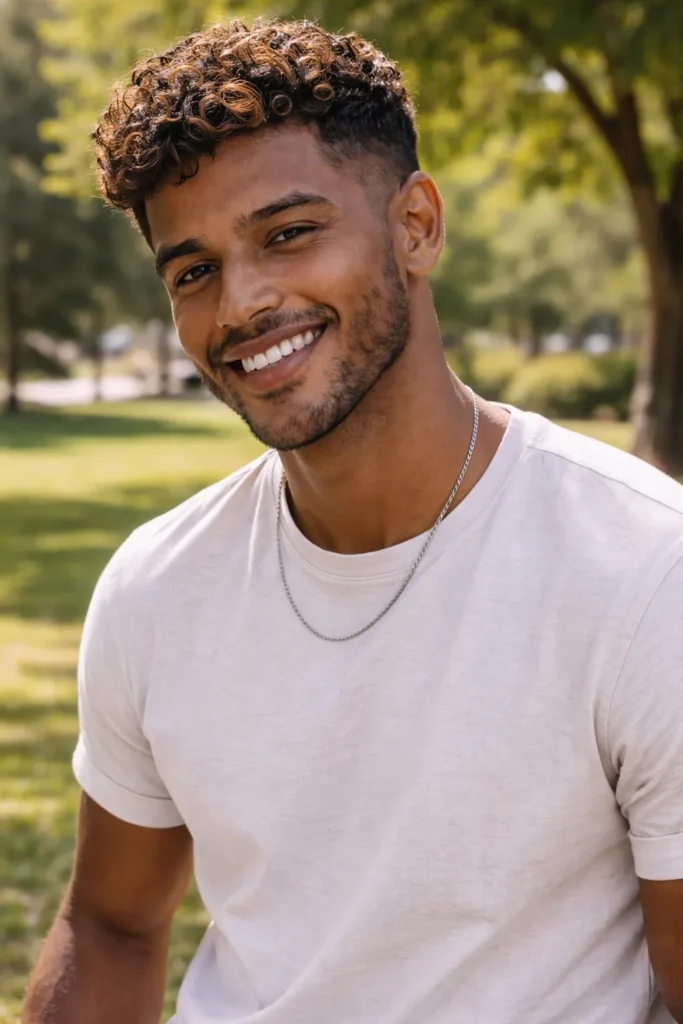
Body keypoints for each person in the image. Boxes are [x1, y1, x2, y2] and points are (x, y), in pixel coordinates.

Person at [23, 18, 683, 1024]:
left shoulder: (642, 568)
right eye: (191, 269)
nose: (240, 302)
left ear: (415, 224)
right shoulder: (157, 588)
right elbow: (112, 924)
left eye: (288, 234)